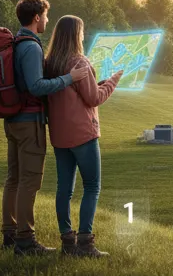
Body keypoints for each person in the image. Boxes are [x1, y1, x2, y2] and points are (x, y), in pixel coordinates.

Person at [2, 0, 89, 255]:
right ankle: (25, 241)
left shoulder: (17, 43)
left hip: (14, 120)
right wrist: (68, 78)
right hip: (29, 122)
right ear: (37, 17)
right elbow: (36, 86)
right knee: (29, 181)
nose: (48, 20)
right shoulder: (31, 47)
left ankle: (9, 233)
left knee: (14, 179)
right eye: (46, 16)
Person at [45, 15, 122, 258]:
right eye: (82, 31)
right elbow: (94, 99)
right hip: (83, 135)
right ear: (76, 34)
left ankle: (67, 243)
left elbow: (75, 92)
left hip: (59, 136)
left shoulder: (50, 63)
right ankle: (85, 245)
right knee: (91, 187)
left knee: (64, 190)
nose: (83, 35)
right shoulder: (79, 61)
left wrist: (96, 84)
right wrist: (111, 82)